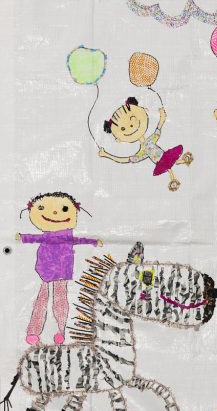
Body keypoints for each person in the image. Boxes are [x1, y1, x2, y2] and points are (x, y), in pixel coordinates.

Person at [16, 191, 102, 345]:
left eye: (64, 209)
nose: (54, 213)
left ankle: (60, 330)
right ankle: (34, 330)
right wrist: (23, 237)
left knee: (60, 299)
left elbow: (80, 240)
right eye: (42, 208)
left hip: (62, 270)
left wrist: (94, 242)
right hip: (46, 269)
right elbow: (36, 238)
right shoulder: (49, 235)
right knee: (43, 298)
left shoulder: (67, 236)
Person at [98, 97, 193, 192]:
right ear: (118, 139)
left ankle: (181, 167)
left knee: (172, 164)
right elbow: (124, 159)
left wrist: (162, 117)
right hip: (161, 160)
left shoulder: (148, 144)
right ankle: (176, 176)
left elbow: (158, 130)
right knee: (170, 168)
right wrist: (106, 154)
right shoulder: (143, 152)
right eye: (123, 129)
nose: (131, 126)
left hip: (164, 156)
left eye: (133, 119)